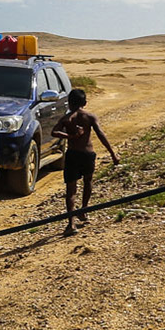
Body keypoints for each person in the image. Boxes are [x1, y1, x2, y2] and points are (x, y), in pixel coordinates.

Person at [49, 88, 117, 235]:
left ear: (69, 103)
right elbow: (101, 135)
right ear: (85, 103)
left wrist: (69, 137)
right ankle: (83, 210)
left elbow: (54, 132)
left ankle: (71, 223)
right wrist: (113, 154)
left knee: (71, 189)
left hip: (73, 154)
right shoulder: (90, 117)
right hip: (87, 154)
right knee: (88, 181)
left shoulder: (67, 118)